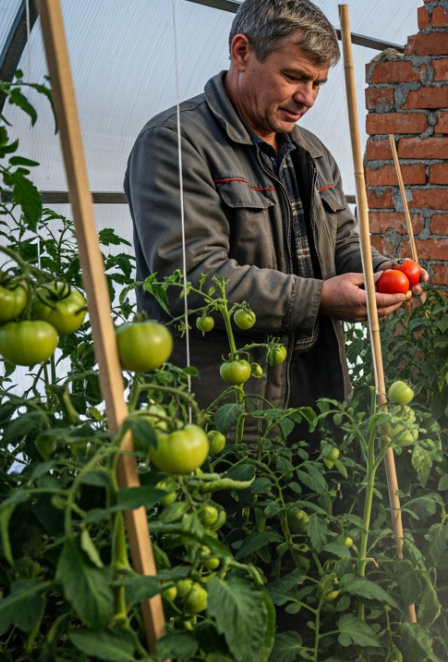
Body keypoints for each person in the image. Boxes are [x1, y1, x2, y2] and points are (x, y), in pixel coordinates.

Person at [126, 0, 419, 416]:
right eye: (294, 76)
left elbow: (341, 242)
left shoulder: (311, 152)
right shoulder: (175, 144)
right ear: (242, 52)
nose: (308, 98)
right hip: (226, 406)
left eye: (318, 83)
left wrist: (383, 271)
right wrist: (318, 299)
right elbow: (190, 277)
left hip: (316, 394)